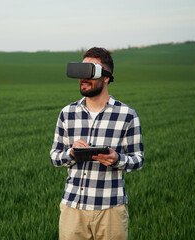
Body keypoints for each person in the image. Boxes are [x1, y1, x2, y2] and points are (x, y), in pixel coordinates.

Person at [50, 47, 144, 240]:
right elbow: (54, 157)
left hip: (111, 210)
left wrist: (117, 159)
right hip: (72, 209)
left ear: (106, 77)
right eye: (80, 72)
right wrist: (72, 154)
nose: (83, 78)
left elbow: (138, 160)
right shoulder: (67, 113)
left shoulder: (127, 115)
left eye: (90, 72)